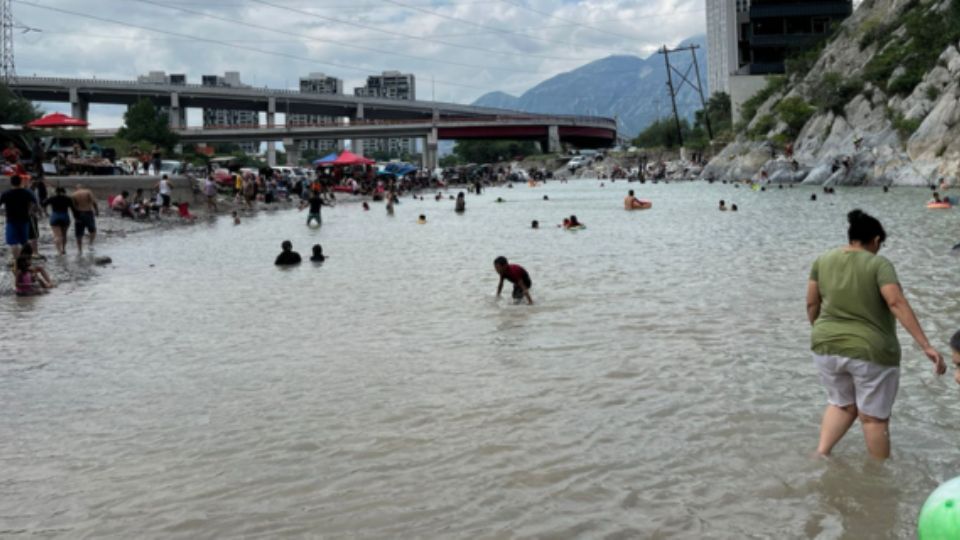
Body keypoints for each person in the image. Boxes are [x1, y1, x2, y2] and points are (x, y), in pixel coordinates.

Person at [807, 209, 946, 459]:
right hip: (871, 350)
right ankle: (879, 483)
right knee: (873, 419)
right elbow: (896, 303)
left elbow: (811, 304)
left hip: (825, 346)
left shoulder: (823, 260)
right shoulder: (878, 264)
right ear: (876, 241)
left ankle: (821, 454)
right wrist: (926, 345)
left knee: (841, 404)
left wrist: (821, 330)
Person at [0, 175, 38, 259]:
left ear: (11, 182)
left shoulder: (6, 194)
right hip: (24, 220)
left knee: (13, 243)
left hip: (11, 220)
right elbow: (35, 204)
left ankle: (16, 261)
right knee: (24, 242)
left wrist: (3, 213)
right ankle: (25, 260)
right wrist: (29, 211)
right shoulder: (26, 192)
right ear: (21, 182)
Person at [44, 187, 73, 255]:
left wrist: (45, 212)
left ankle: (58, 251)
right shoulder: (68, 199)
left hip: (55, 216)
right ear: (64, 192)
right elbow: (73, 208)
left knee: (57, 236)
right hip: (65, 216)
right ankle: (63, 249)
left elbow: (43, 204)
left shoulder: (52, 198)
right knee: (64, 235)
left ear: (56, 192)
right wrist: (77, 217)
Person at [71, 184, 98, 255]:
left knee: (79, 233)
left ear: (76, 188)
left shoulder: (74, 195)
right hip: (88, 212)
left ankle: (80, 250)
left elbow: (73, 207)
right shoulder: (88, 192)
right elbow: (94, 202)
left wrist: (75, 217)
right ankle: (90, 244)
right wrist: (97, 210)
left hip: (79, 214)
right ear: (82, 187)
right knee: (93, 229)